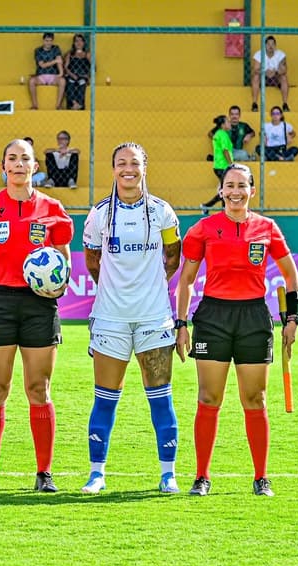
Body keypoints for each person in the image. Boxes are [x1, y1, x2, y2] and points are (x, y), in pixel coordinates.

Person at [175, 163, 298, 497]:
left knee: (255, 398)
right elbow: (186, 280)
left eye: (241, 186)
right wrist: (181, 324)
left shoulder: (267, 228)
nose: (235, 192)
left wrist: (292, 319)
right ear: (221, 191)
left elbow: (291, 275)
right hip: (213, 316)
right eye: (229, 185)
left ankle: (261, 478)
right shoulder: (202, 229)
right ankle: (202, 477)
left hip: (253, 318)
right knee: (209, 397)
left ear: (252, 190)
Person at [0, 138, 73, 493]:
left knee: (38, 388)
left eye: (25, 158)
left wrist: (58, 286)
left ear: (35, 167)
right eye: (12, 158)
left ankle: (44, 473)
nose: (19, 164)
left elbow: (65, 261)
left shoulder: (53, 208)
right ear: (3, 167)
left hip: (39, 305)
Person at [79, 142, 183, 495]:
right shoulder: (98, 215)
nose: (128, 169)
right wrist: (116, 293)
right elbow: (92, 261)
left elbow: (173, 257)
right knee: (105, 398)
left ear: (144, 168)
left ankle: (168, 473)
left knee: (161, 398)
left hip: (154, 318)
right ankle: (97, 473)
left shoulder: (163, 212)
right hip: (111, 319)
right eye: (121, 163)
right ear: (112, 169)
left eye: (134, 163)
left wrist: (149, 291)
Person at [201, 115, 233, 214]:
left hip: (218, 166)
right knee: (226, 189)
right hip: (223, 166)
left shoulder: (218, 134)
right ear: (223, 125)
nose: (229, 123)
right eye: (227, 121)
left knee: (225, 189)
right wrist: (230, 164)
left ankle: (213, 207)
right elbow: (225, 150)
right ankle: (208, 206)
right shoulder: (223, 134)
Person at [251, 35, 289, 112]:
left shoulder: (281, 54)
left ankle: (285, 104)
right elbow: (255, 70)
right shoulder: (259, 54)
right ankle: (254, 103)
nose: (270, 46)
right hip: (263, 77)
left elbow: (284, 70)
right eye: (268, 44)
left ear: (275, 45)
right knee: (255, 77)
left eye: (272, 44)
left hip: (276, 77)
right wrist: (264, 72)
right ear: (265, 45)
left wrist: (276, 72)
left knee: (284, 77)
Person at [28, 32, 65, 110]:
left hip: (53, 75)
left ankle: (58, 105)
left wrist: (61, 73)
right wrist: (55, 61)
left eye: (50, 41)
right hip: (41, 75)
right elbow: (42, 65)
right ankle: (35, 105)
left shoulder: (56, 48)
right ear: (43, 40)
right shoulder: (38, 50)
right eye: (47, 40)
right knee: (31, 81)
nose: (49, 43)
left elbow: (59, 61)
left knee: (62, 81)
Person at [64, 33, 91, 110]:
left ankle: (79, 105)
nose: (79, 43)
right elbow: (65, 67)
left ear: (84, 43)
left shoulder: (87, 54)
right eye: (76, 41)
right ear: (73, 43)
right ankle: (73, 104)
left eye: (81, 41)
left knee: (82, 83)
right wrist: (72, 74)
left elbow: (93, 67)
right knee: (70, 83)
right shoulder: (70, 54)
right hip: (71, 75)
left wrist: (88, 76)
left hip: (83, 75)